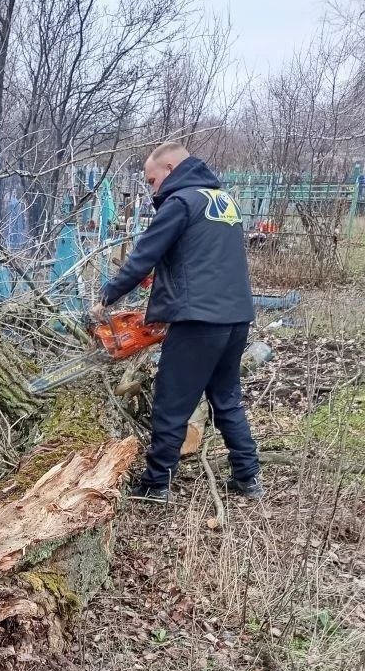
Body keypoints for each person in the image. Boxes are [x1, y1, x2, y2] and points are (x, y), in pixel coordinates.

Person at [91, 142, 261, 503]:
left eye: (152, 180)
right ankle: (248, 478)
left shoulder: (181, 202)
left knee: (172, 401)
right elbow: (202, 259)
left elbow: (143, 256)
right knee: (226, 398)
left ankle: (157, 484)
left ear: (170, 169)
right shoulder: (223, 201)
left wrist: (106, 297)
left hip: (198, 320)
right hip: (236, 315)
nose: (152, 189)